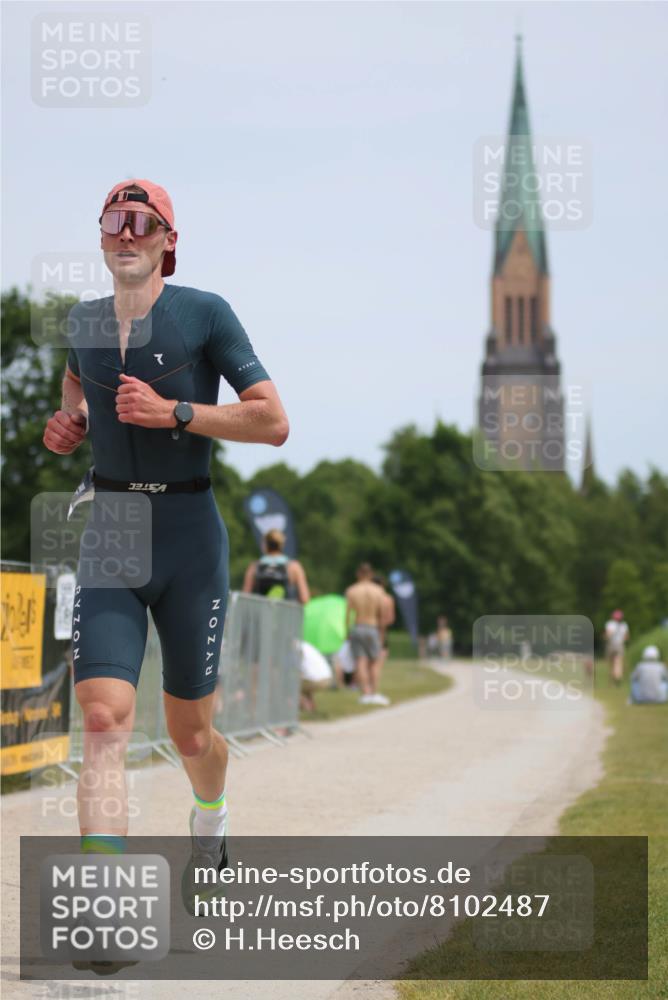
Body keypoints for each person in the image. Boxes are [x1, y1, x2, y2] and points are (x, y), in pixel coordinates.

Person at [43, 179, 289, 936]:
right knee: (103, 720)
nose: (126, 233)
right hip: (112, 530)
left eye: (141, 222)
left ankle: (210, 823)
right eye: (114, 221)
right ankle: (103, 905)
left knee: (191, 735)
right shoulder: (83, 321)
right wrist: (72, 422)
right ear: (101, 235)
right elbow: (78, 381)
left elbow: (272, 421)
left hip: (188, 535)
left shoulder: (205, 314)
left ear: (167, 241)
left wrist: (176, 412)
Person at [345, 564, 389, 706]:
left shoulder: (352, 590)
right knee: (375, 662)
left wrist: (347, 632)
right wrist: (382, 633)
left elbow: (347, 615)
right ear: (371, 574)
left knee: (360, 661)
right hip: (372, 626)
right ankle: (374, 693)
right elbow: (382, 615)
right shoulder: (378, 590)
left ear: (358, 574)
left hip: (357, 626)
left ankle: (365, 694)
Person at [241, 528, 310, 603]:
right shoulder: (294, 567)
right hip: (285, 609)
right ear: (281, 545)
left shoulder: (254, 567)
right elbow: (305, 598)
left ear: (265, 545)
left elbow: (245, 597)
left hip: (261, 610)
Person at [372, 572, 396, 675]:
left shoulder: (369, 598)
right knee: (377, 664)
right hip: (382, 632)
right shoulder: (388, 599)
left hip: (369, 629)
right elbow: (391, 619)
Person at [299, 640, 333, 712]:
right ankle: (312, 707)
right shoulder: (305, 645)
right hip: (327, 677)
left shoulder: (297, 648)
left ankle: (307, 708)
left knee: (291, 687)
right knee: (304, 685)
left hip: (317, 680)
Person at [603, 609, 630, 686]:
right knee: (618, 662)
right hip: (620, 645)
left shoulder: (609, 624)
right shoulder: (624, 625)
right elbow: (627, 637)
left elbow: (607, 635)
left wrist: (605, 637)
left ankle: (613, 679)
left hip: (611, 645)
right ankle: (618, 676)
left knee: (611, 663)